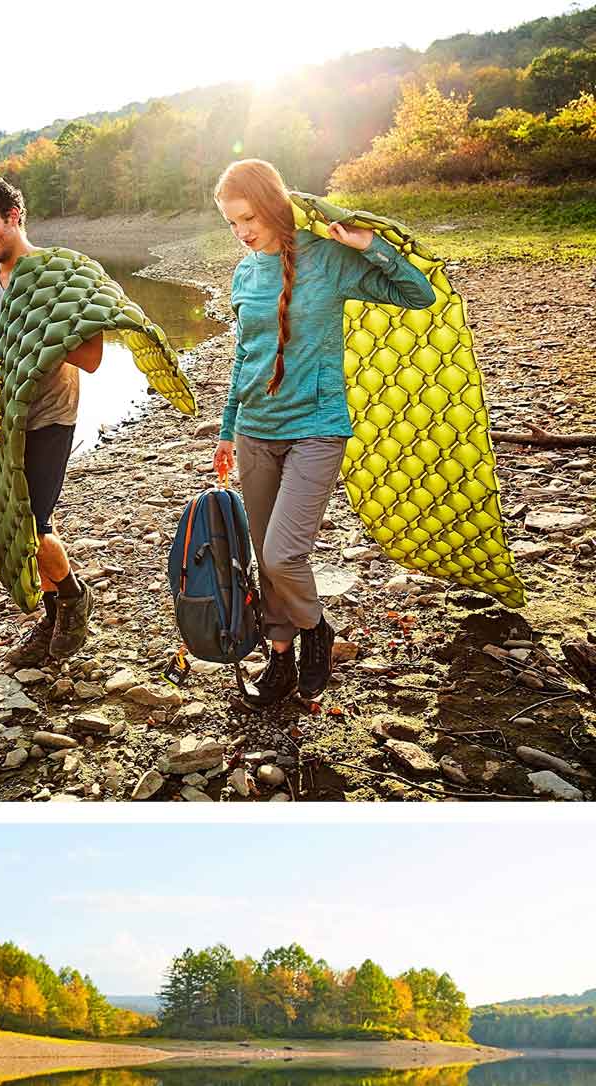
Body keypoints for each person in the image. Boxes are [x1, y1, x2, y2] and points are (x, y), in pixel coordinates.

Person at [212, 159, 436, 709]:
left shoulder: (328, 258)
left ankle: (317, 631)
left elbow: (418, 294)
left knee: (283, 553)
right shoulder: (245, 272)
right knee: (265, 559)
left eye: (248, 218)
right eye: (231, 223)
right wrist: (227, 428)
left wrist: (368, 246)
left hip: (316, 427)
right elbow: (245, 356)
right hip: (255, 433)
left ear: (273, 205)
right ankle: (280, 658)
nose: (242, 232)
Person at [0, 174, 103, 668]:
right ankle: (55, 612)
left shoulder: (58, 274)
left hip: (51, 416)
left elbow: (94, 357)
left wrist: (41, 335)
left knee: (32, 524)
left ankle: (73, 601)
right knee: (4, 524)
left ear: (15, 216)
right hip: (1, 420)